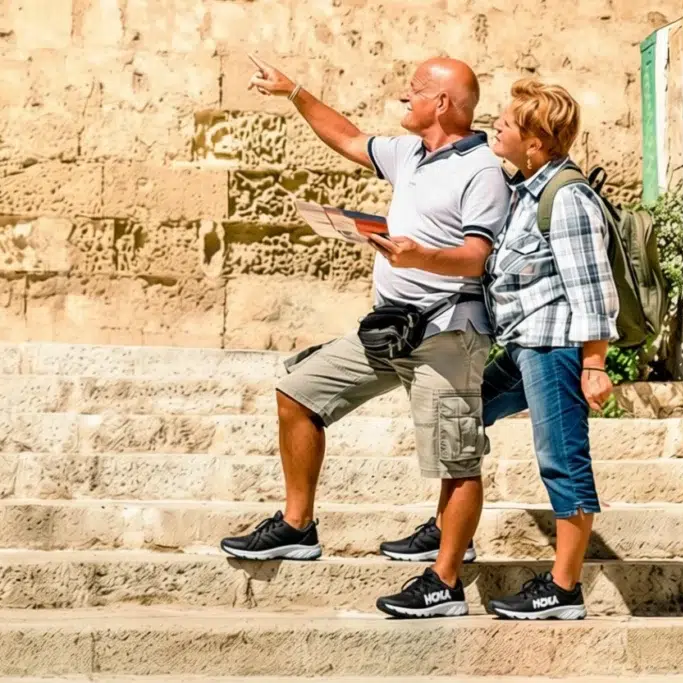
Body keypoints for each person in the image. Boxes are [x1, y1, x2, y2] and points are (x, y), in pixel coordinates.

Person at [219, 54, 510, 620]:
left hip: (449, 331)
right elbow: (349, 138)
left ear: (443, 104)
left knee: (456, 459)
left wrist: (419, 254)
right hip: (391, 326)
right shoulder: (409, 154)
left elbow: (477, 257)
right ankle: (297, 527)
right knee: (298, 393)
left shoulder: (482, 171)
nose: (406, 95)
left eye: (416, 89)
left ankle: (445, 582)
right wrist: (294, 90)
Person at [376, 79, 618, 620]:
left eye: (508, 124)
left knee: (562, 459)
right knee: (465, 415)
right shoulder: (525, 188)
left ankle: (564, 588)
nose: (496, 128)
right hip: (520, 344)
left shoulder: (568, 198)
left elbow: (593, 288)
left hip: (552, 347)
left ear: (535, 143)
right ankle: (450, 534)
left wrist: (594, 363)